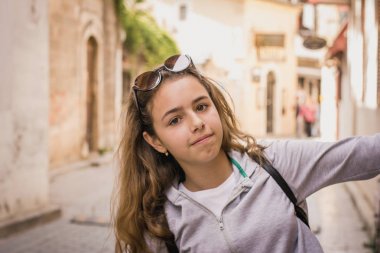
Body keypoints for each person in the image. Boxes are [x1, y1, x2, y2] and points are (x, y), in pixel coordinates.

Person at [113, 54, 380, 253]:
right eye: (175, 120)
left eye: (202, 106)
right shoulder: (161, 219)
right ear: (156, 141)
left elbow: (365, 154)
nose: (196, 122)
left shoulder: (273, 164)